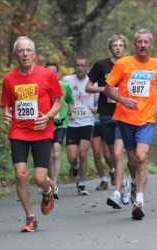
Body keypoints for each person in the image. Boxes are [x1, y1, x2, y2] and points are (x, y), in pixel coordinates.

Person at [104, 28, 157, 220]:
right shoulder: (123, 63)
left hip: (147, 118)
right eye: (139, 42)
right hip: (125, 119)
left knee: (141, 157)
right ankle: (133, 183)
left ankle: (139, 200)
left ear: (151, 45)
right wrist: (122, 100)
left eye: (146, 42)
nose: (142, 45)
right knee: (132, 160)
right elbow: (108, 88)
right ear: (134, 45)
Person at [0, 36, 63, 232]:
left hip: (41, 131)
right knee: (20, 175)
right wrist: (6, 114)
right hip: (18, 131)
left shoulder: (46, 75)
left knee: (38, 178)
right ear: (16, 54)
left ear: (34, 54)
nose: (25, 54)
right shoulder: (9, 78)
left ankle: (47, 189)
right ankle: (30, 217)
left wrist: (49, 116)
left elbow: (59, 101)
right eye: (21, 51)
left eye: (29, 50)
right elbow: (5, 105)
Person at [86, 34, 134, 208]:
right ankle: (126, 182)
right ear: (110, 48)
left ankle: (118, 190)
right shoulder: (101, 65)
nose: (118, 48)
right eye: (115, 45)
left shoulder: (131, 64)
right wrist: (106, 90)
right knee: (112, 156)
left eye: (121, 45)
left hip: (124, 114)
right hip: (106, 114)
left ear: (125, 47)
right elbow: (88, 87)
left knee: (118, 154)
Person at [63, 57, 95, 195]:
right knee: (72, 157)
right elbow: (60, 98)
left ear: (87, 67)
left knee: (83, 153)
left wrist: (97, 108)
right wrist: (66, 111)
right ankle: (74, 166)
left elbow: (101, 98)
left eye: (83, 65)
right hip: (71, 123)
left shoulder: (93, 82)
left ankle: (81, 183)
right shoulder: (67, 80)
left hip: (87, 121)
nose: (80, 68)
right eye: (78, 65)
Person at [45, 62, 75, 199]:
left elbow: (70, 100)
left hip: (60, 123)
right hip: (45, 124)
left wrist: (71, 112)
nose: (51, 74)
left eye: (54, 72)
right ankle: (50, 183)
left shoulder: (64, 85)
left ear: (57, 74)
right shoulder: (41, 87)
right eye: (48, 72)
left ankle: (54, 183)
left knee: (56, 153)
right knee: (49, 155)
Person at [90, 88, 114, 191]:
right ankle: (103, 179)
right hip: (93, 123)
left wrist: (99, 108)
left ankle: (113, 170)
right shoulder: (88, 86)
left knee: (108, 155)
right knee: (96, 153)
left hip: (106, 122)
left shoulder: (107, 82)